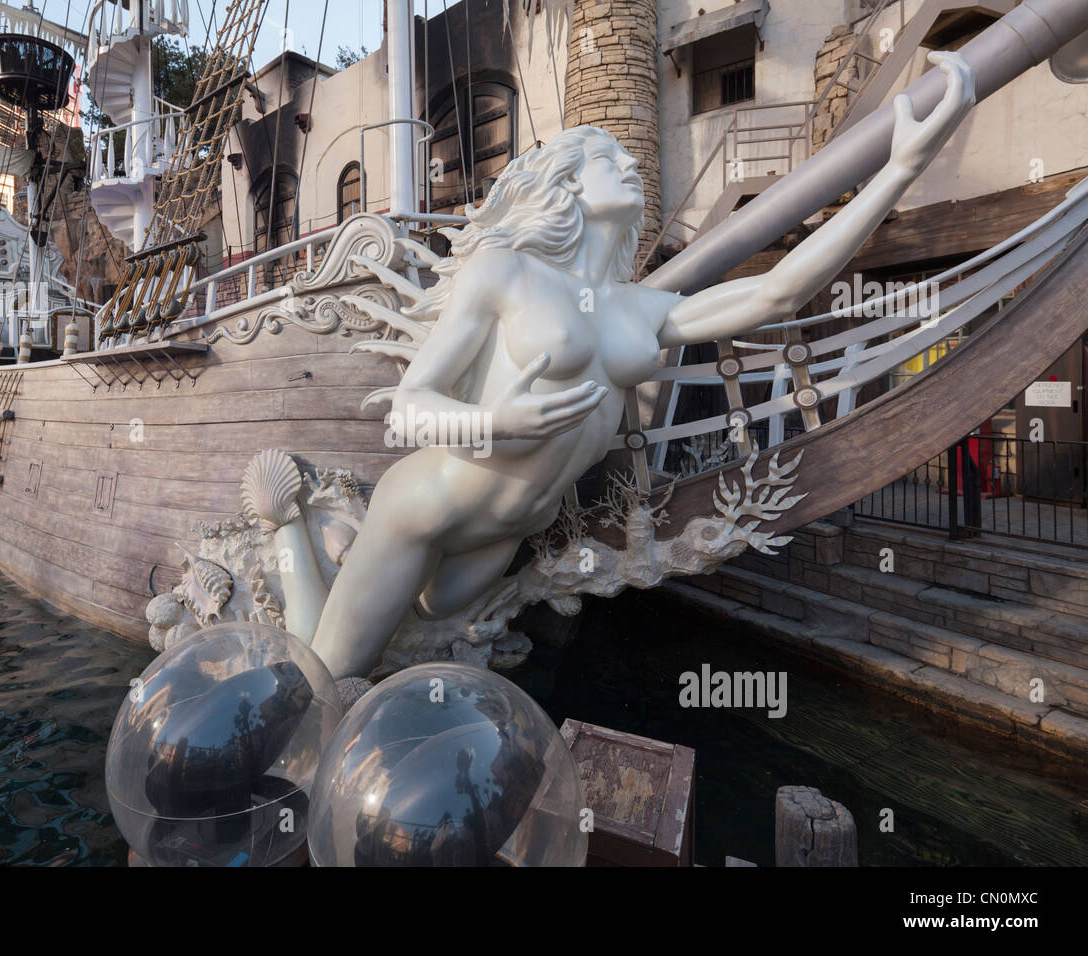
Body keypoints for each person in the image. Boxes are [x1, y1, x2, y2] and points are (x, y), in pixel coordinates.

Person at [310, 52, 978, 679]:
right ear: (569, 181)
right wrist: (494, 422)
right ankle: (303, 541)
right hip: (430, 506)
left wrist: (899, 170)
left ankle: (325, 551)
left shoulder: (642, 307)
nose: (630, 165)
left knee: (415, 638)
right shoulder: (506, 271)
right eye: (611, 160)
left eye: (629, 159)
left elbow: (778, 292)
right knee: (328, 677)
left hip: (505, 537)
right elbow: (410, 405)